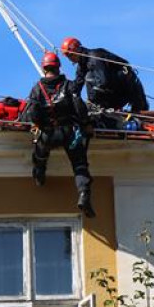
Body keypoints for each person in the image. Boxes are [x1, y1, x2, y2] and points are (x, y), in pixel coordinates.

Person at [22, 52, 95, 218]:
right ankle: (84, 194)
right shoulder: (68, 85)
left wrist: (39, 123)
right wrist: (86, 124)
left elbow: (32, 114)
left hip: (48, 133)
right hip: (70, 133)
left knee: (40, 154)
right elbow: (79, 106)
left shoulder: (37, 89)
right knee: (79, 164)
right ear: (58, 67)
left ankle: (39, 175)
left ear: (44, 68)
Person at [60, 37, 149, 113]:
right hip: (117, 91)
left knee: (89, 77)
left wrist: (91, 103)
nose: (69, 59)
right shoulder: (82, 65)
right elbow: (77, 85)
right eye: (67, 56)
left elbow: (103, 82)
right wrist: (64, 91)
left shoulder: (95, 58)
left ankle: (96, 107)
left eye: (70, 55)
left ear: (77, 50)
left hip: (128, 90)